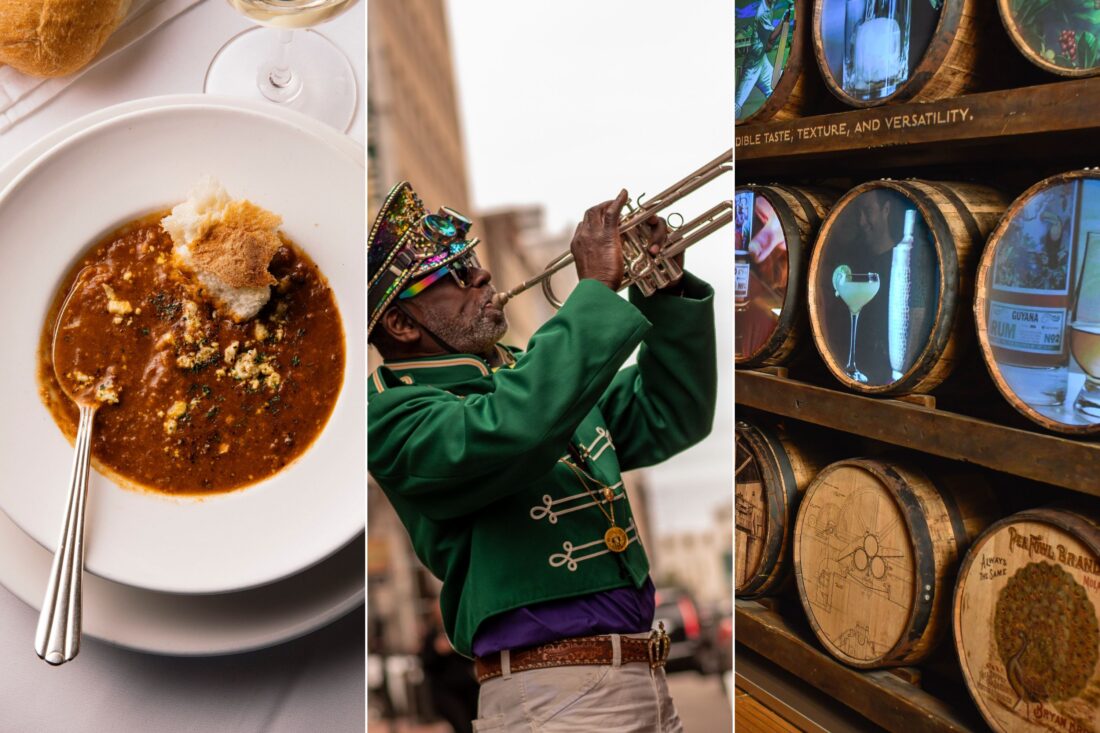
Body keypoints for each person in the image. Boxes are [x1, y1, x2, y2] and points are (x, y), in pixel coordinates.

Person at [367, 181, 717, 732]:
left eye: (474, 263)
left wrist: (664, 292)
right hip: (553, 699)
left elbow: (672, 413)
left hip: (643, 679)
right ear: (402, 324)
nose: (481, 276)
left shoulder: (528, 377)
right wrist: (595, 293)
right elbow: (516, 429)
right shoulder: (390, 415)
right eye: (455, 275)